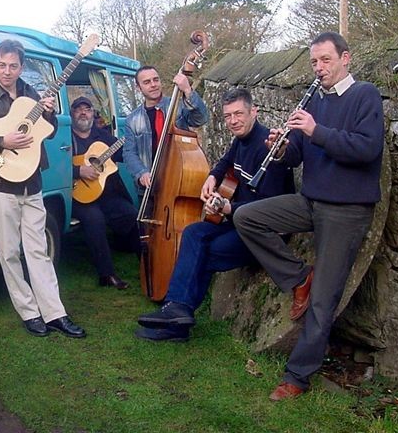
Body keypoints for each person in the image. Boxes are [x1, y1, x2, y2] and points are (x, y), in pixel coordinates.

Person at [234, 31, 384, 401]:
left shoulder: (364, 94)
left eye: (325, 60)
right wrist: (281, 148)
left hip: (346, 210)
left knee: (323, 300)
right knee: (247, 217)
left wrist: (316, 131)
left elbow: (366, 149)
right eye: (314, 61)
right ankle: (299, 277)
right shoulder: (315, 98)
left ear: (345, 58)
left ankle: (297, 376)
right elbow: (297, 155)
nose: (318, 68)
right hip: (311, 201)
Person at [135, 88, 295, 341]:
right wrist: (212, 177)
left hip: (262, 232)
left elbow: (270, 208)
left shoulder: (268, 148)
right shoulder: (240, 140)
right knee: (193, 232)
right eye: (228, 116)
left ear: (254, 111)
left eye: (239, 114)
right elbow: (225, 162)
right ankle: (177, 311)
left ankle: (176, 319)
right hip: (239, 221)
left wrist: (228, 208)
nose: (233, 121)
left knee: (205, 252)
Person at [0, 39, 85, 339]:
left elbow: (47, 131)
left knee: (38, 250)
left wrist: (48, 113)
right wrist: (1, 142)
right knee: (9, 252)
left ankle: (55, 313)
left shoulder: (31, 94)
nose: (7, 71)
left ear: (21, 67)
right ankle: (29, 312)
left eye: (13, 66)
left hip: (31, 182)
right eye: (2, 65)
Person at [70, 96, 140, 290]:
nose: (83, 113)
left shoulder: (103, 136)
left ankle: (146, 265)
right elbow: (56, 166)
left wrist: (135, 141)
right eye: (78, 109)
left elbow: (124, 153)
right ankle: (107, 275)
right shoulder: (66, 138)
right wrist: (78, 171)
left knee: (132, 214)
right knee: (95, 219)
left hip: (107, 194)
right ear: (72, 113)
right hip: (79, 195)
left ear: (93, 113)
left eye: (87, 109)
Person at [123, 65, 209, 191]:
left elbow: (200, 119)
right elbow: (129, 152)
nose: (153, 84)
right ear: (138, 88)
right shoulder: (132, 120)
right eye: (147, 82)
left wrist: (188, 91)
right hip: (151, 186)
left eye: (156, 80)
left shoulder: (177, 105)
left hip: (180, 177)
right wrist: (141, 173)